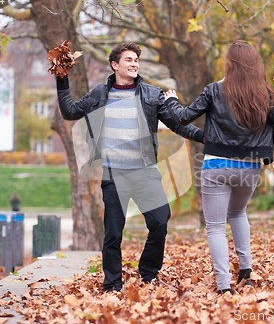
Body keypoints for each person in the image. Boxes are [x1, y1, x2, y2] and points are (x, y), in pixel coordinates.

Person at [55, 42, 204, 292]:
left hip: (144, 171)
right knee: (113, 232)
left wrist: (205, 137)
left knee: (160, 221)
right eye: (128, 60)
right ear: (115, 65)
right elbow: (70, 112)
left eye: (136, 60)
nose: (134, 63)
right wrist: (62, 80)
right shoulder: (98, 95)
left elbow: (178, 125)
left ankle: (148, 273)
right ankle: (112, 283)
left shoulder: (152, 94)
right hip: (114, 173)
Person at [164, 40, 274, 294]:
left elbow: (183, 117)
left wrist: (172, 100)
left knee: (216, 226)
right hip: (250, 168)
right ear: (255, 65)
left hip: (216, 165)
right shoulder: (264, 94)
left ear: (230, 64)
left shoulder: (214, 90)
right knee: (238, 213)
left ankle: (223, 286)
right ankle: (247, 275)